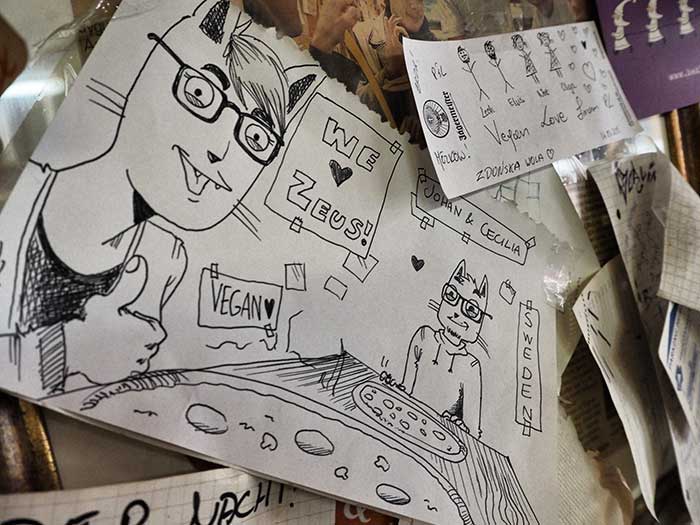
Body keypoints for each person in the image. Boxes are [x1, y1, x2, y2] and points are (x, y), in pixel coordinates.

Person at [14, 0, 320, 394]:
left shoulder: (166, 262)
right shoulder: (23, 192)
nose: (220, 151)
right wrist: (68, 351)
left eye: (256, 139)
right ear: (150, 68)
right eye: (201, 93)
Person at [402, 260, 491, 437]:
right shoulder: (424, 336)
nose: (457, 312)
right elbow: (405, 389)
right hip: (407, 423)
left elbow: (472, 429)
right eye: (451, 295)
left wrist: (459, 427)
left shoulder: (471, 365)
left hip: (439, 438)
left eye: (471, 309)